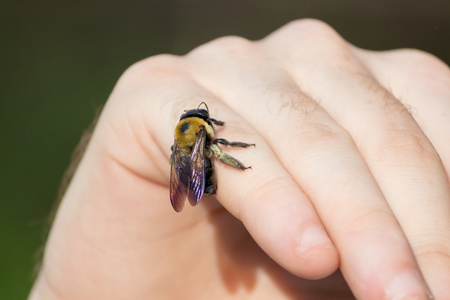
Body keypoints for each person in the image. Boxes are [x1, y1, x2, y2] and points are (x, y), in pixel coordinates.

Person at [28, 19, 450, 300]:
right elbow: (212, 150)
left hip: (195, 181)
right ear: (200, 124)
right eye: (206, 120)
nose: (209, 121)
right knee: (218, 154)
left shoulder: (180, 141)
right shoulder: (201, 140)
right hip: (202, 181)